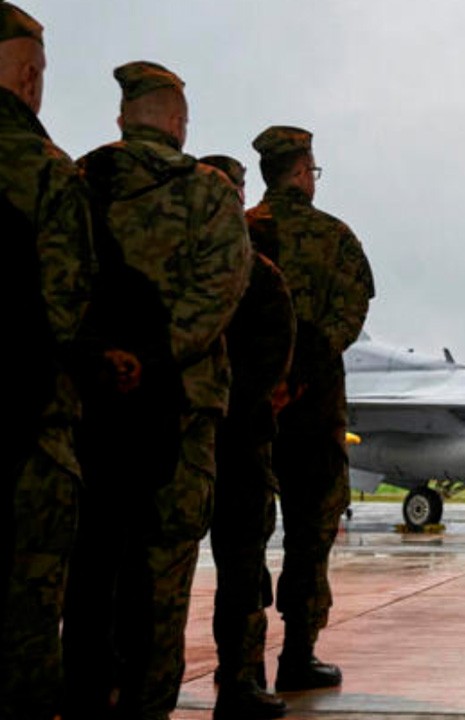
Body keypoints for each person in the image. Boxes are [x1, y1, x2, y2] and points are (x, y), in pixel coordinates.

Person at [62, 61, 251, 720]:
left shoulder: (77, 181)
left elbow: (54, 285)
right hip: (177, 415)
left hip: (81, 410)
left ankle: (84, 699)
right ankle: (146, 708)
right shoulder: (208, 192)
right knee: (163, 575)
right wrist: (153, 359)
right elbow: (221, 292)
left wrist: (98, 360)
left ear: (122, 115)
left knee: (84, 574)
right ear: (177, 120)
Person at [247, 125, 374, 691]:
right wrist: (306, 366)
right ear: (302, 173)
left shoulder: (241, 231)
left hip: (248, 407)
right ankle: (297, 654)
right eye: (312, 170)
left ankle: (242, 663)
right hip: (314, 410)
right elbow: (351, 315)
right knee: (309, 532)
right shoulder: (336, 237)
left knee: (243, 530)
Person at [0, 4, 94, 717]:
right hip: (29, 428)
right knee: (28, 617)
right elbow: (69, 310)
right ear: (30, 76)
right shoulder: (46, 170)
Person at [199, 154, 294, 719]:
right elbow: (272, 359)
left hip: (175, 435)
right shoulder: (256, 272)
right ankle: (240, 681)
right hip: (235, 440)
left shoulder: (163, 260)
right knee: (241, 566)